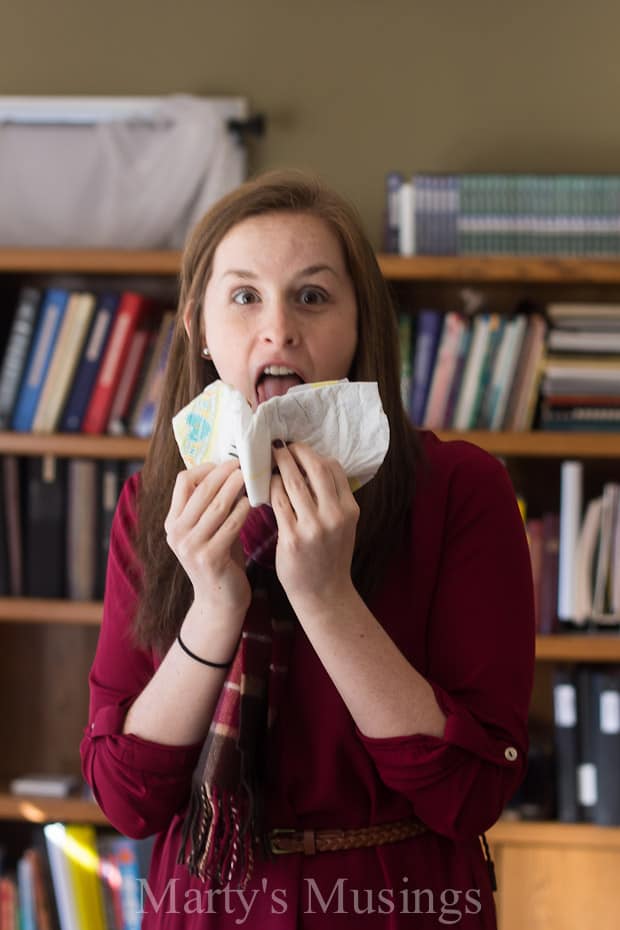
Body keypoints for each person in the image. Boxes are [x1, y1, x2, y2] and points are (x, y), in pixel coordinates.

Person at [80, 170, 535, 928]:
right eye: (245, 295)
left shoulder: (462, 489)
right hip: (204, 900)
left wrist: (326, 596)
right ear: (199, 326)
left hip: (398, 902)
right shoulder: (153, 505)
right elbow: (128, 798)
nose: (279, 328)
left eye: (313, 296)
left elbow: (469, 794)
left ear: (362, 327)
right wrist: (215, 607)